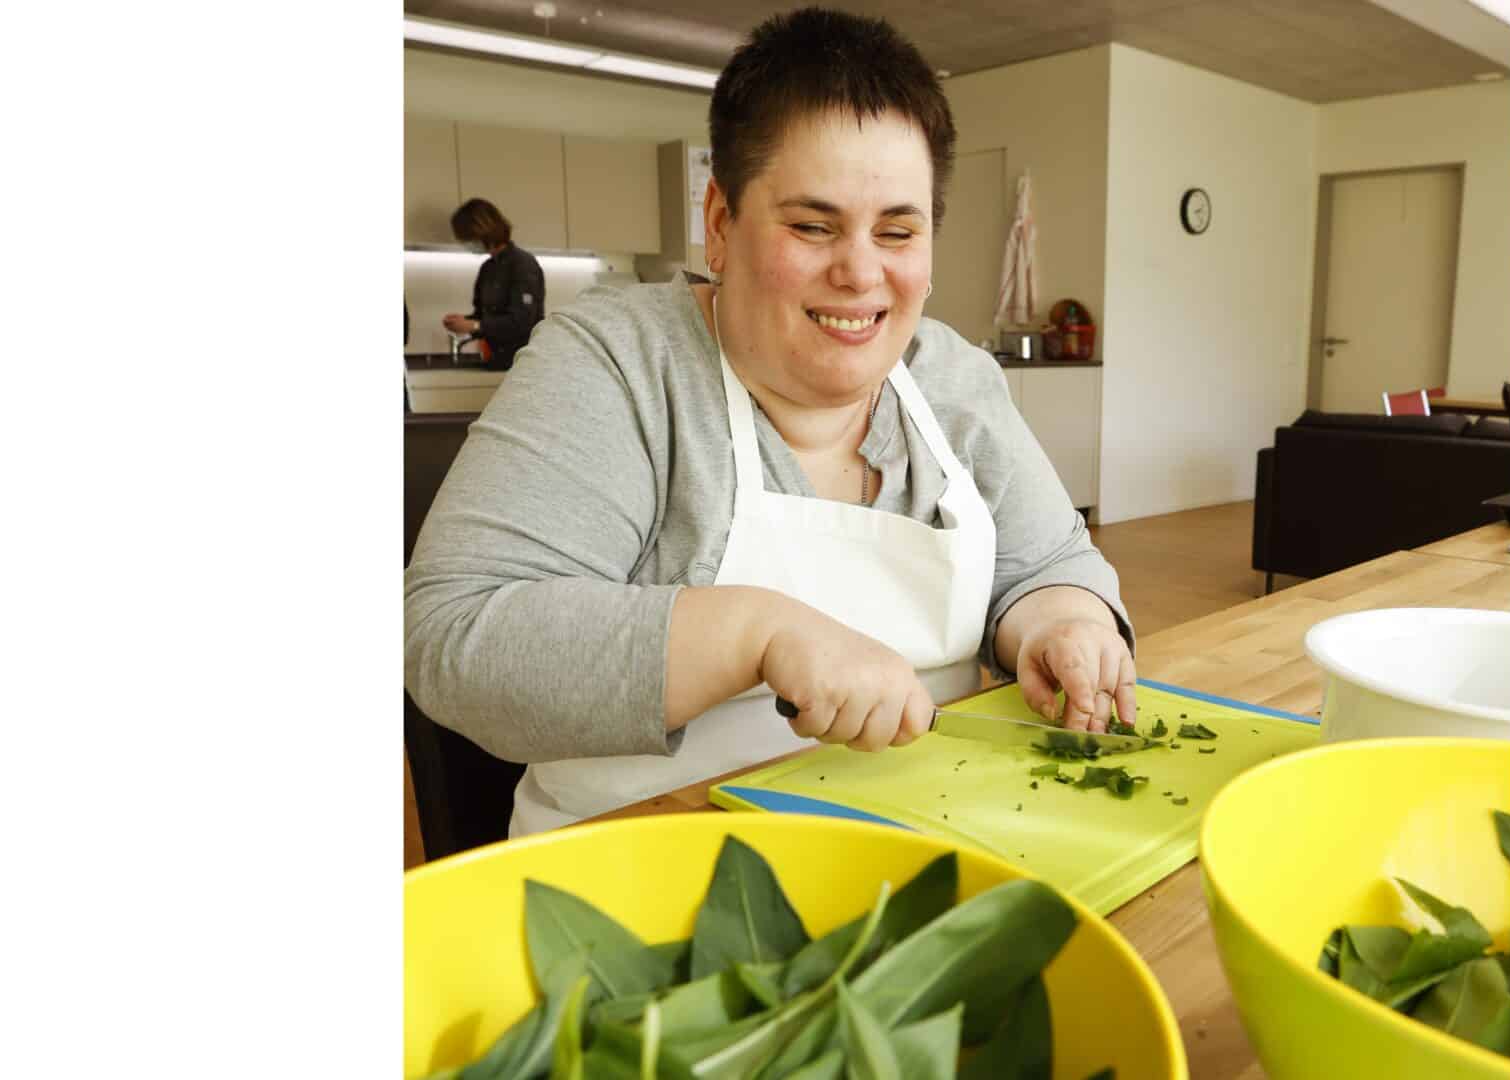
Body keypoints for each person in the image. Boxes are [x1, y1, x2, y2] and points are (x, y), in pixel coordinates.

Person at [404, 6, 1138, 837]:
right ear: (720, 223)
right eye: (812, 225)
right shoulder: (620, 364)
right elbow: (456, 639)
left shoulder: (952, 377)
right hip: (648, 875)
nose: (861, 273)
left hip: (940, 839)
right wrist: (758, 632)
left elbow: (1047, 558)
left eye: (898, 231)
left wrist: (1063, 619)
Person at [442, 198, 545, 372]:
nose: (467, 244)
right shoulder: (487, 268)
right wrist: (464, 322)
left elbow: (522, 321)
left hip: (523, 364)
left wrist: (475, 326)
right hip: (496, 361)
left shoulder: (523, 264)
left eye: (467, 238)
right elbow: (483, 316)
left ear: (482, 230)